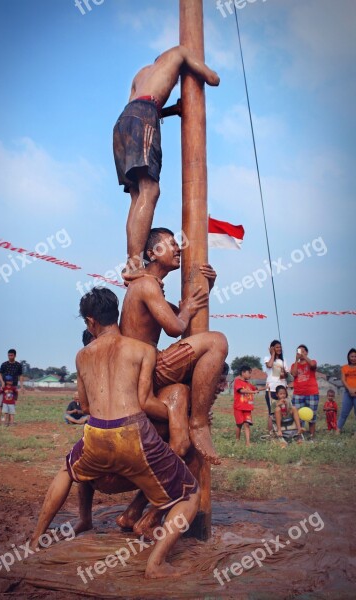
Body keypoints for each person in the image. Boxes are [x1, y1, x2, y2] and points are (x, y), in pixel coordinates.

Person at [30, 287, 200, 579]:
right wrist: (177, 414)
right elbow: (146, 402)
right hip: (134, 434)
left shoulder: (82, 355)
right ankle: (156, 564)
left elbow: (83, 404)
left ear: (90, 322)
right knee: (190, 495)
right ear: (115, 315)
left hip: (95, 434)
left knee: (67, 469)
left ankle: (36, 539)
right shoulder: (142, 350)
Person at [120, 227, 228, 464]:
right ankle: (198, 423)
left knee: (180, 394)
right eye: (171, 244)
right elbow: (176, 327)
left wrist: (207, 286)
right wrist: (187, 310)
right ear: (153, 252)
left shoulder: (151, 286)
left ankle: (161, 485)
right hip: (144, 370)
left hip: (143, 370)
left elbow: (186, 319)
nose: (179, 248)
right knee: (217, 341)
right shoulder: (147, 285)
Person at [113, 46, 220, 275]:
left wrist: (175, 109)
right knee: (151, 191)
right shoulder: (180, 52)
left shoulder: (142, 73)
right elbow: (213, 78)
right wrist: (194, 67)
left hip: (123, 122)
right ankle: (134, 263)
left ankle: (132, 262)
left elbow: (140, 103)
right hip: (144, 116)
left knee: (137, 196)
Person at [290, 345, 319, 438]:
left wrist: (304, 356)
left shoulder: (312, 361)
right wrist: (296, 360)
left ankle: (311, 436)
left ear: (307, 352)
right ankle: (300, 437)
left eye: (303, 351)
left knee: (312, 416)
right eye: (299, 351)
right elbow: (294, 374)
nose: (301, 353)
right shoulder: (294, 365)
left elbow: (313, 366)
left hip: (312, 393)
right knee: (298, 417)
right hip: (298, 394)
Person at [264, 340, 289, 431]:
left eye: (280, 347)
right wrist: (273, 354)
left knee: (283, 410)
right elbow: (270, 365)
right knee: (272, 412)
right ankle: (271, 432)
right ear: (272, 348)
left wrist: (284, 372)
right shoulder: (267, 358)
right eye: (277, 347)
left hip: (282, 390)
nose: (279, 349)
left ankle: (281, 431)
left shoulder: (283, 360)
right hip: (271, 390)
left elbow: (286, 375)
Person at [233, 365, 260, 446]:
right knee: (239, 425)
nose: (250, 375)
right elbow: (241, 391)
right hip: (239, 408)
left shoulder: (248, 383)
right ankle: (237, 441)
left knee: (247, 424)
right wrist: (253, 392)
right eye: (249, 373)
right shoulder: (237, 381)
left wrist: (265, 387)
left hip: (247, 408)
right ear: (243, 372)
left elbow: (255, 389)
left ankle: (248, 443)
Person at [0, 349, 23, 426]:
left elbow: (21, 375)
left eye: (11, 355)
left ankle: (9, 422)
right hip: (4, 387)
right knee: (0, 403)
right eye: (9, 355)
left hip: (14, 387)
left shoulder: (18, 365)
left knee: (11, 403)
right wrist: (2, 382)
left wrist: (22, 386)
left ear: (15, 355)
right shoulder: (4, 364)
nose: (10, 356)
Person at [337, 348, 356, 434]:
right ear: (348, 357)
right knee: (344, 413)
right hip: (348, 393)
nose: (353, 358)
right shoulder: (344, 367)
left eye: (355, 356)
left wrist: (354, 390)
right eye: (352, 356)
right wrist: (350, 389)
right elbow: (343, 380)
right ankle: (338, 430)